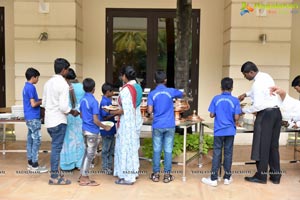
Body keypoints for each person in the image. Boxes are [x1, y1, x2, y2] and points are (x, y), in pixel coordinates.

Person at [238, 61, 282, 184]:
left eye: (245, 74)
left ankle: (261, 176)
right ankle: (275, 176)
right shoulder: (266, 76)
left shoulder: (257, 84)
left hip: (266, 115)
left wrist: (243, 110)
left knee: (262, 146)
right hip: (276, 114)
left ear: (251, 72)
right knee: (273, 146)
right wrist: (245, 94)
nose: (244, 77)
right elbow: (258, 91)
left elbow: (257, 106)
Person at [42, 58, 79, 185]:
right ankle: (54, 177)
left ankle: (57, 173)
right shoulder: (63, 84)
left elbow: (44, 103)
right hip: (59, 121)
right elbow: (64, 107)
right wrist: (73, 112)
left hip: (49, 121)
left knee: (56, 148)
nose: (68, 71)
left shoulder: (48, 83)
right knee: (56, 149)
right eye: (67, 69)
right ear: (64, 70)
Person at [201, 77, 241, 187]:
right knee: (228, 154)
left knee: (217, 153)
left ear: (221, 87)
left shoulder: (216, 98)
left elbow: (211, 114)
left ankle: (214, 179)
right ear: (232, 88)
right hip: (230, 131)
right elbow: (237, 117)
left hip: (219, 131)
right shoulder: (235, 100)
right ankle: (227, 178)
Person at [147, 70, 183, 183]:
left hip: (157, 125)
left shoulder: (152, 94)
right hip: (169, 125)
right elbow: (182, 94)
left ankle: (156, 175)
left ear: (154, 81)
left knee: (157, 150)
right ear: (165, 80)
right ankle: (167, 175)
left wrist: (151, 114)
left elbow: (149, 110)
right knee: (168, 150)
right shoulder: (171, 91)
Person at [109, 66, 143, 185]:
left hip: (127, 123)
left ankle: (128, 176)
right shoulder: (137, 87)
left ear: (124, 76)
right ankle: (132, 172)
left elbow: (126, 110)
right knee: (132, 148)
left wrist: (113, 112)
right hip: (134, 119)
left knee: (126, 148)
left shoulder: (126, 90)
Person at [78, 78, 111, 186]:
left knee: (86, 153)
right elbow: (96, 120)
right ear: (94, 89)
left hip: (84, 129)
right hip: (92, 131)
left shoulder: (83, 100)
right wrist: (104, 126)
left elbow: (81, 115)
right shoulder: (94, 101)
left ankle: (82, 174)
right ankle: (84, 178)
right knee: (90, 155)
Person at [22, 67, 48, 173]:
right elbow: (33, 104)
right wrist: (43, 101)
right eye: (37, 78)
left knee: (30, 140)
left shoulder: (25, 87)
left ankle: (30, 162)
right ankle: (35, 165)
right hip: (33, 117)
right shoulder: (31, 87)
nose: (38, 80)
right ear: (33, 77)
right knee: (36, 140)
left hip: (28, 117)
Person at [60, 68, 85, 170]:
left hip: (68, 116)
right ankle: (80, 164)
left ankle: (67, 165)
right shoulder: (82, 87)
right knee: (80, 140)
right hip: (79, 116)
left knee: (68, 140)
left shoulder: (64, 87)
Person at [99, 83, 116, 175]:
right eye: (112, 91)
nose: (113, 93)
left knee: (111, 149)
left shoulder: (107, 100)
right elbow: (105, 116)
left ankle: (109, 166)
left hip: (111, 128)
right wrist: (116, 113)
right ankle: (105, 167)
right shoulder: (104, 102)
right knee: (106, 149)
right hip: (106, 128)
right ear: (107, 92)